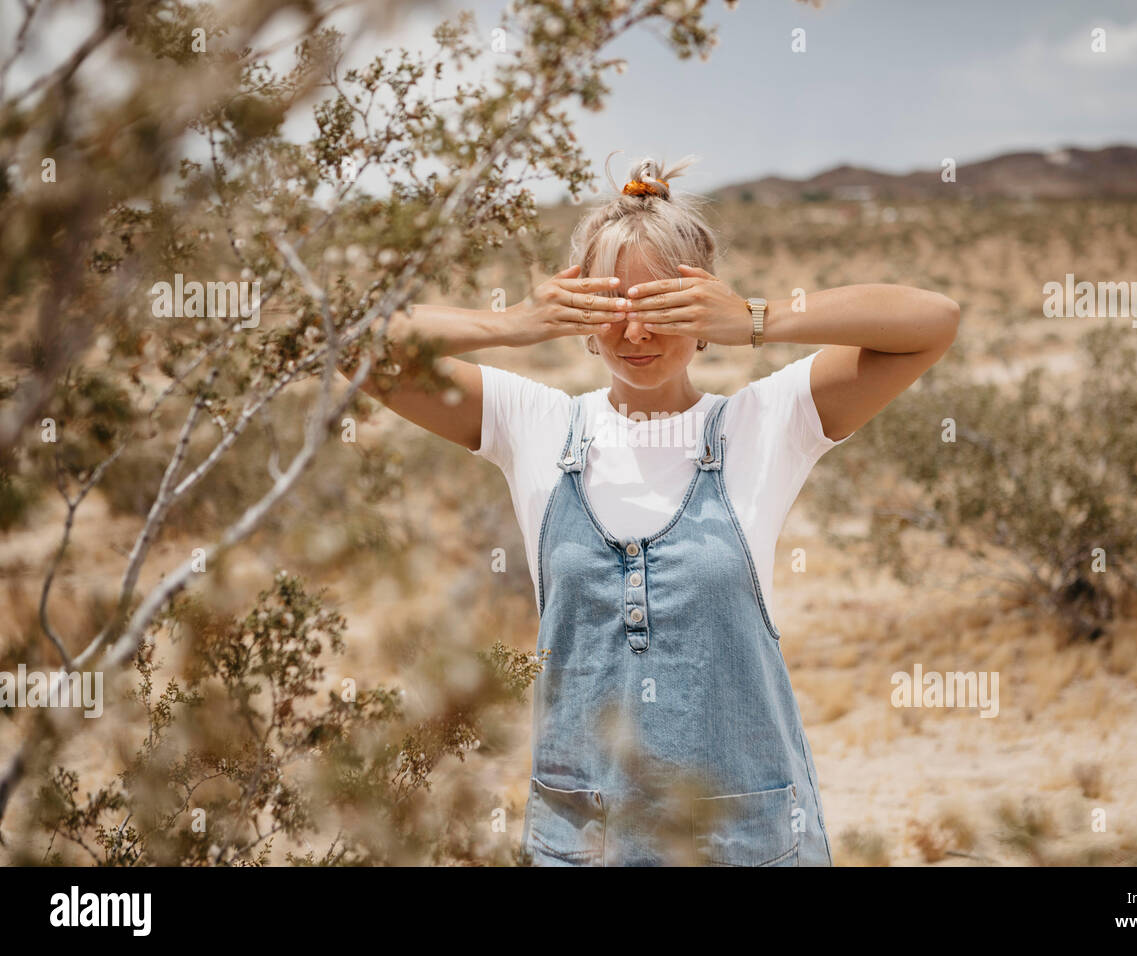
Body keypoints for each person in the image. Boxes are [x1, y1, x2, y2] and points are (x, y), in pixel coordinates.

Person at [352, 154, 960, 865]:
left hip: (744, 838)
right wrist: (516, 323)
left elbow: (934, 320)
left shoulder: (764, 424)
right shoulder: (535, 424)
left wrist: (758, 319)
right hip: (581, 840)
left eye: (666, 306)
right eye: (614, 307)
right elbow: (357, 342)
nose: (636, 333)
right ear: (580, 314)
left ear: (704, 312)